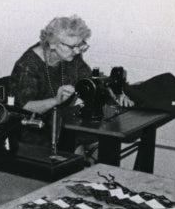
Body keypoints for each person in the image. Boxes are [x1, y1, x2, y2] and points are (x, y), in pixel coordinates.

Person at [9, 15, 131, 148]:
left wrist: (117, 92)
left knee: (106, 138)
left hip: (62, 120)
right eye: (73, 46)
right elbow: (24, 108)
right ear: (53, 43)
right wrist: (56, 100)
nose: (78, 50)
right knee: (78, 142)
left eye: (80, 45)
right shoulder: (28, 65)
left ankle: (92, 165)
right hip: (33, 128)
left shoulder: (72, 56)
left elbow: (90, 81)